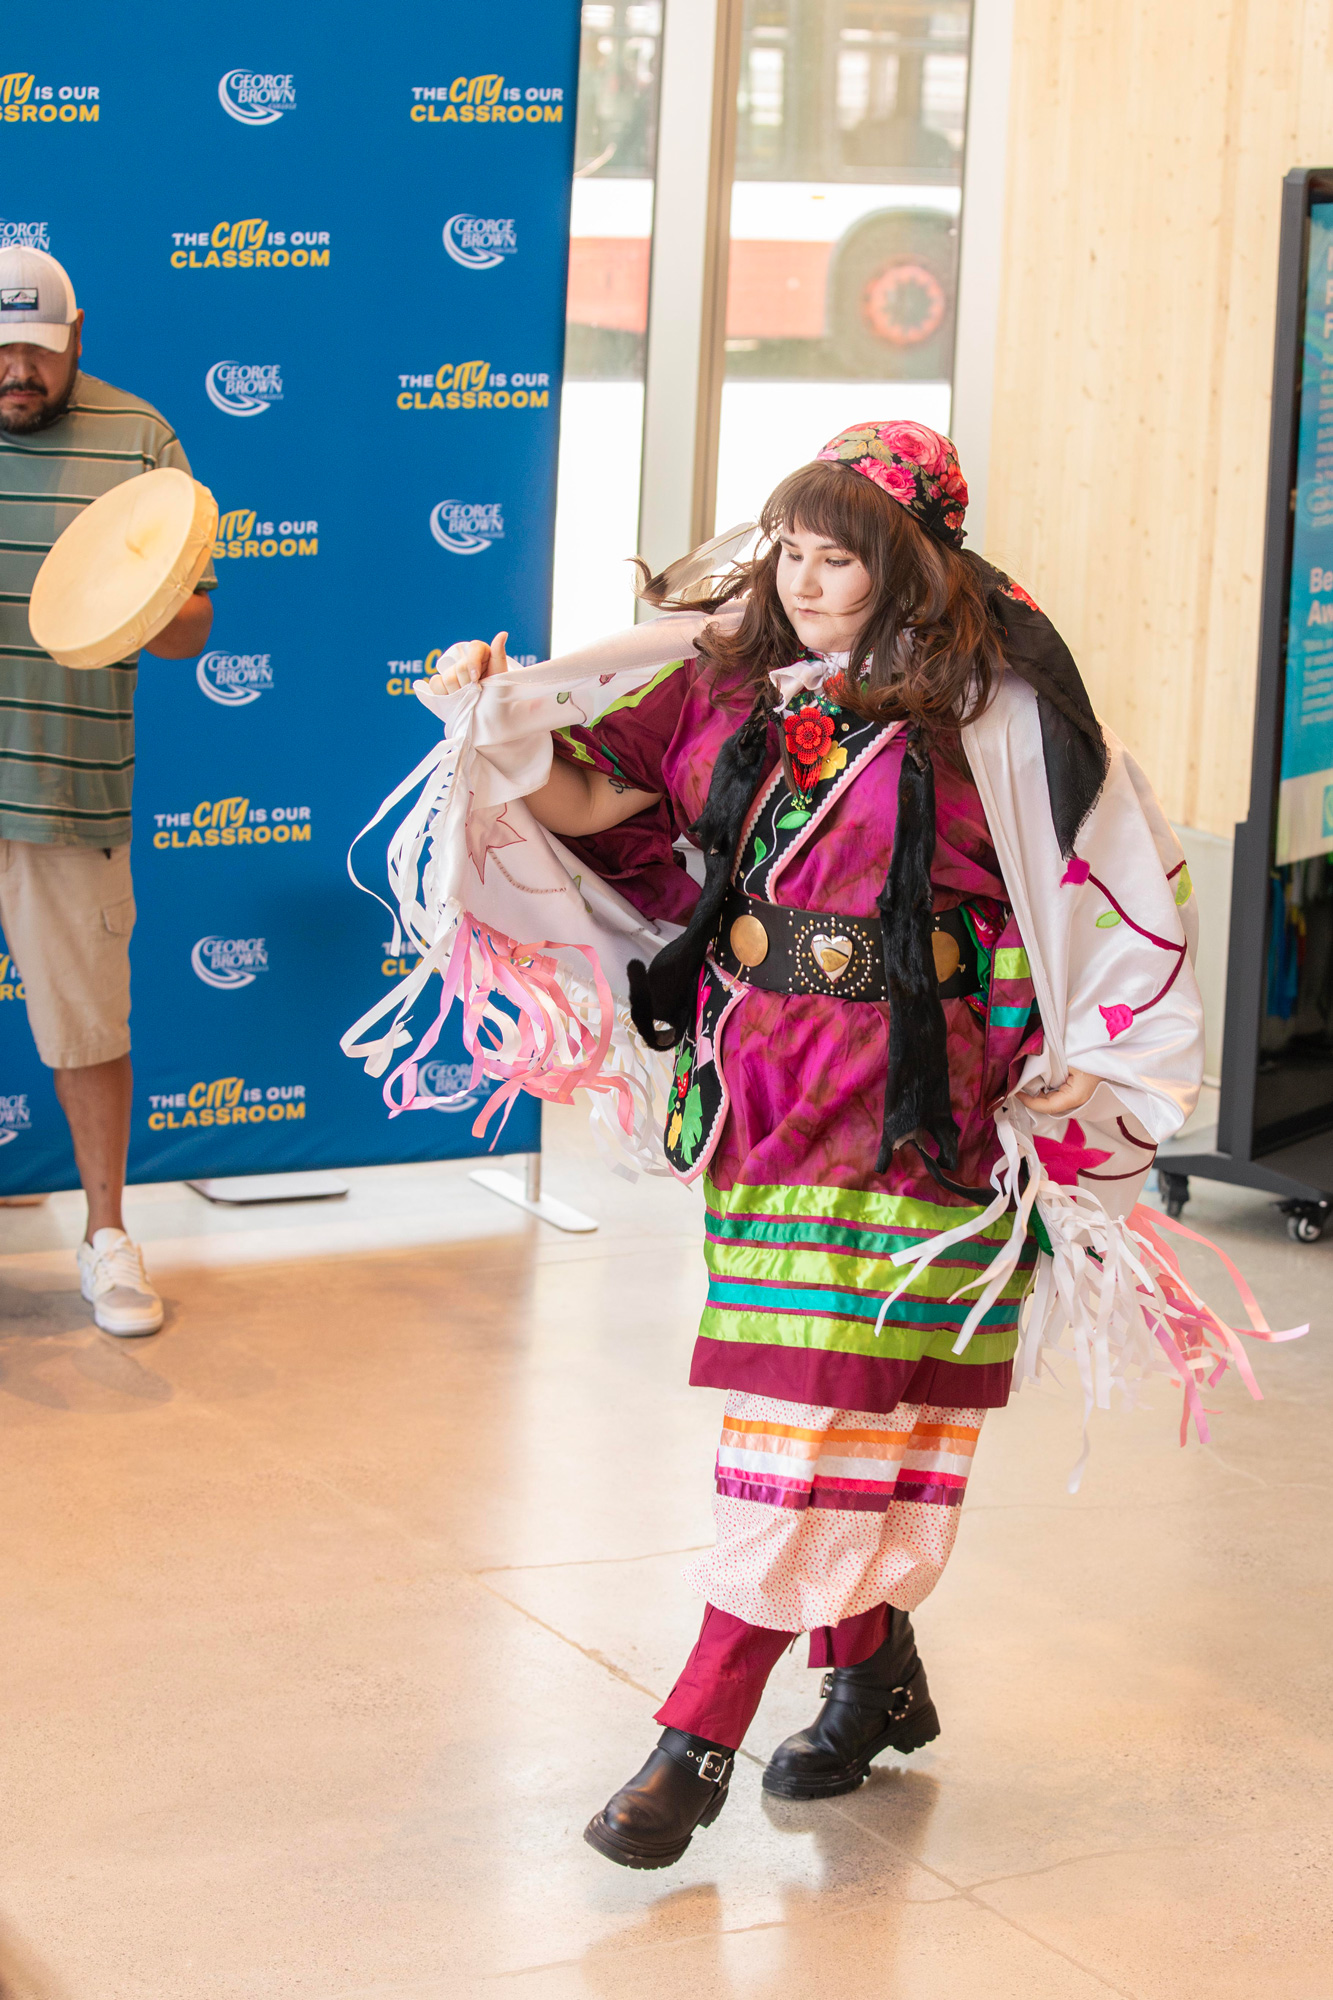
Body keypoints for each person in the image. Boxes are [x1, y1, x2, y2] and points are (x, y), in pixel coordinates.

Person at [346, 421, 1275, 1871]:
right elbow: (597, 808)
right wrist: (494, 725)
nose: (804, 576)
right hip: (767, 1089)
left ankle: (691, 1742)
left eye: (836, 555)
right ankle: (873, 1674)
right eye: (788, 547)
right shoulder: (725, 683)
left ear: (907, 565)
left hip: (929, 1104)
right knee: (838, 1407)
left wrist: (1082, 1069)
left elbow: (1111, 883)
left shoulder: (1006, 714)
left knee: (816, 1415)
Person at [0, 244, 215, 1335]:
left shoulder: (142, 441)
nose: (16, 370)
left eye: (35, 347)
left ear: (75, 335)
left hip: (66, 791)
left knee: (86, 1028)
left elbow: (194, 629)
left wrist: (146, 604)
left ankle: (106, 1236)